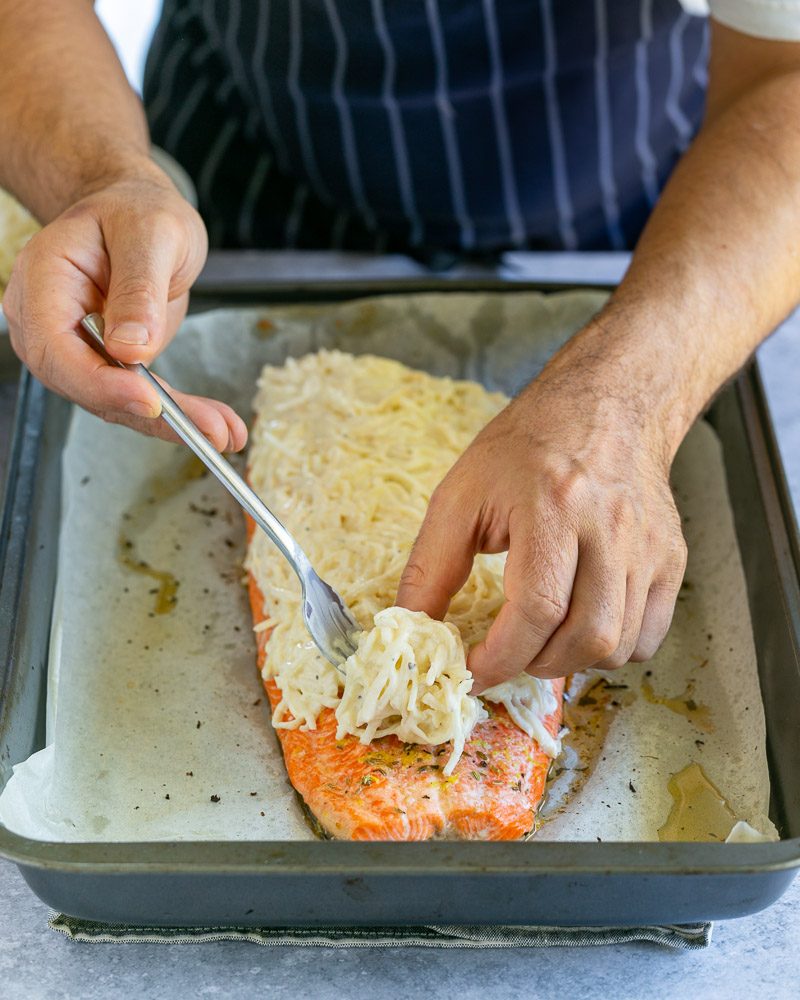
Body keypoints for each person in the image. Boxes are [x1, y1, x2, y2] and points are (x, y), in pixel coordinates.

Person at [1, 1, 798, 692]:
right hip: (242, 194)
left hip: (645, 231)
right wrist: (101, 179)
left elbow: (784, 79)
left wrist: (630, 395)